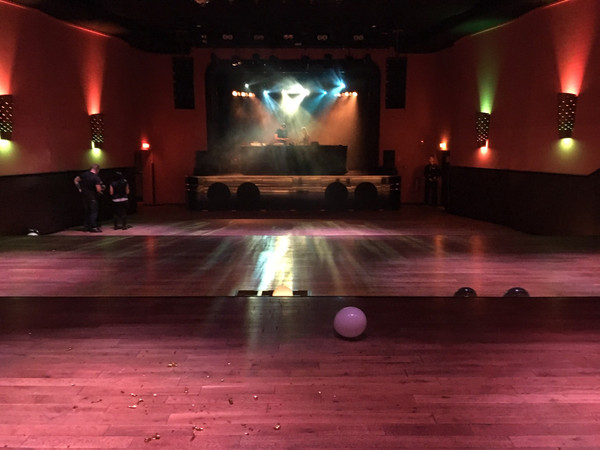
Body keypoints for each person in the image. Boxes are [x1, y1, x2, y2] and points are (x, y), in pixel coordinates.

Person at [74, 164, 104, 232]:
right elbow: (98, 189)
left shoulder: (83, 174)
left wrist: (79, 188)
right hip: (92, 196)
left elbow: (75, 180)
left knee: (87, 211)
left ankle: (86, 226)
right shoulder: (96, 177)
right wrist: (102, 189)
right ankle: (93, 226)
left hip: (84, 196)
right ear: (97, 170)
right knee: (94, 211)